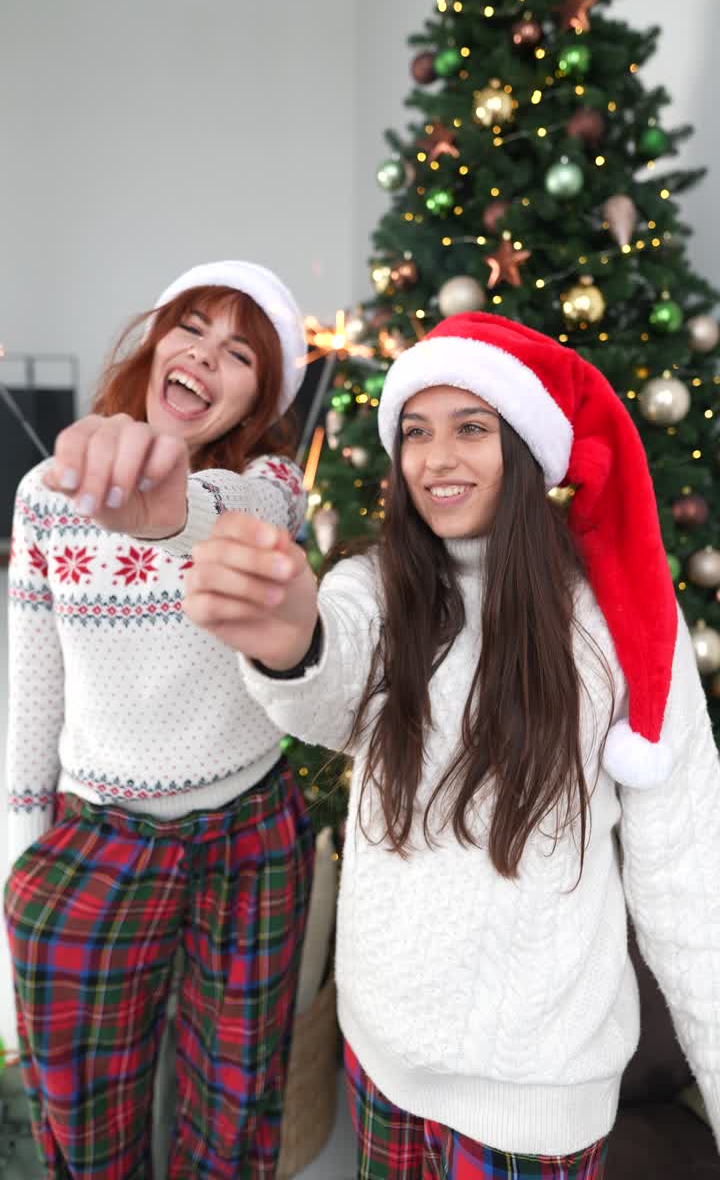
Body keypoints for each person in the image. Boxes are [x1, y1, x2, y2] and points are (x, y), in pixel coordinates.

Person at [181, 312, 720, 1179]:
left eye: (472, 429)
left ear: (528, 446)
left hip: (539, 1097)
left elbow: (689, 877)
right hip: (381, 1063)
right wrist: (289, 636)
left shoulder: (623, 629)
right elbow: (331, 675)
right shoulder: (373, 587)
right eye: (416, 433)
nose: (437, 460)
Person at [4, 260, 314, 1180]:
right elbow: (30, 699)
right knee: (82, 1135)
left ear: (256, 405)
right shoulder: (45, 498)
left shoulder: (270, 487)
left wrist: (164, 507)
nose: (205, 358)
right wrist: (21, 858)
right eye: (192, 330)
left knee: (234, 1123)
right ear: (155, 345)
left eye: (240, 356)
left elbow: (235, 517)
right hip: (97, 844)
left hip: (250, 840)